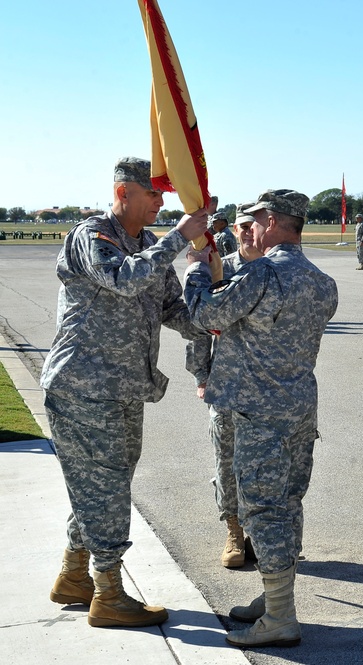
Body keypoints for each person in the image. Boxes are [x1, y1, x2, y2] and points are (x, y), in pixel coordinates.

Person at [43, 156, 209, 628]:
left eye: (163, 195)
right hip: (83, 387)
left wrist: (219, 317)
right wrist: (180, 237)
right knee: (108, 486)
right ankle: (109, 593)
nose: (161, 202)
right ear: (124, 194)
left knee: (102, 487)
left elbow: (174, 308)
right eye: (154, 194)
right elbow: (123, 278)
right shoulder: (92, 236)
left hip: (123, 390)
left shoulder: (150, 245)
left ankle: (75, 576)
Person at [184, 188, 338, 647]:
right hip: (297, 408)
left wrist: (196, 271)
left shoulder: (262, 274)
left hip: (258, 412)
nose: (248, 227)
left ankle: (281, 617)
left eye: (253, 220)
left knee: (264, 511)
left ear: (272, 220)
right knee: (287, 505)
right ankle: (275, 600)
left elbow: (206, 314)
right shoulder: (321, 280)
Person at [186, 206, 264, 569]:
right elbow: (198, 330)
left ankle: (264, 534)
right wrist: (202, 377)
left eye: (255, 226)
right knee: (227, 460)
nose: (249, 232)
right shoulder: (221, 270)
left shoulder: (276, 271)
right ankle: (233, 531)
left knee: (268, 465)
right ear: (233, 229)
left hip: (268, 390)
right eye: (243, 226)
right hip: (227, 386)